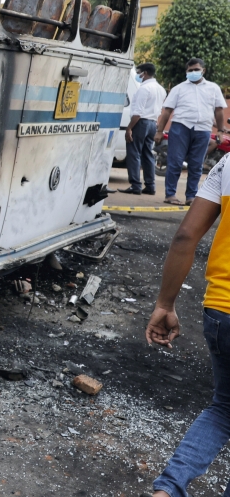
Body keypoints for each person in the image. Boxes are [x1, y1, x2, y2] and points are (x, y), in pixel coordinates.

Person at [146, 152, 230, 496]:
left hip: (222, 310)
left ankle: (167, 491)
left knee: (223, 407)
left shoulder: (227, 163)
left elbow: (184, 236)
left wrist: (165, 303)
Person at [155, 58, 227, 205]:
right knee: (175, 162)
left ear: (203, 70)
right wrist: (160, 131)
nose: (193, 72)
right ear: (186, 72)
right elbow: (167, 111)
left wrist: (220, 130)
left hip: (203, 129)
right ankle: (170, 195)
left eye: (196, 70)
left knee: (196, 164)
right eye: (190, 70)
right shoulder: (178, 88)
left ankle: (191, 197)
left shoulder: (213, 88)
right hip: (181, 127)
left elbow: (219, 110)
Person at [120, 62, 167, 196]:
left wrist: (129, 128)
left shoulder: (144, 89)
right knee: (147, 154)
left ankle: (135, 185)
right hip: (153, 123)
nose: (138, 75)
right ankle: (150, 186)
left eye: (139, 72)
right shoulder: (161, 89)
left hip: (141, 122)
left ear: (145, 73)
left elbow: (138, 113)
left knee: (133, 153)